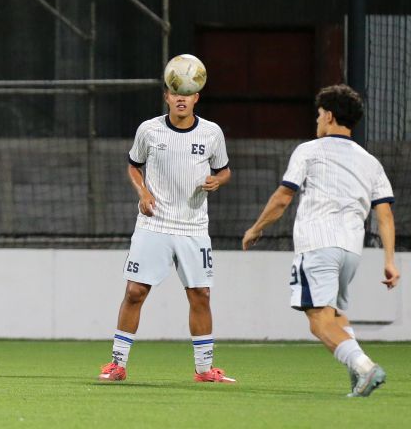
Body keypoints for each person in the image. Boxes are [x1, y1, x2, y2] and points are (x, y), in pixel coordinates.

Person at [242, 84, 399, 397]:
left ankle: (365, 368)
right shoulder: (370, 162)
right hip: (352, 251)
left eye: (318, 115)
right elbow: (385, 216)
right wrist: (389, 261)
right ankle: (358, 374)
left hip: (318, 245)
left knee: (317, 321)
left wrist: (257, 227)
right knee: (336, 315)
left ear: (328, 116)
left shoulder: (309, 151)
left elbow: (283, 196)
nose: (316, 121)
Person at [98, 84, 234, 383]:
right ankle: (117, 364)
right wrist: (143, 191)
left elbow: (225, 170)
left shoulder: (211, 133)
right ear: (167, 97)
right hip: (154, 224)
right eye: (175, 93)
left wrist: (218, 180)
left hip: (193, 227)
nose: (181, 98)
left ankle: (204, 370)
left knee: (201, 295)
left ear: (196, 97)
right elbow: (134, 166)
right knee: (135, 292)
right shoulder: (149, 130)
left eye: (187, 93)